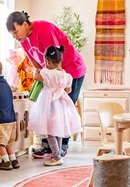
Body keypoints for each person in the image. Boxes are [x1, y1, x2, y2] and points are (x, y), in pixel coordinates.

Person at [6, 11, 87, 158]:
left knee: (63, 108)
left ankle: (62, 147)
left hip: (71, 70)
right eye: (12, 34)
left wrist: (57, 80)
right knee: (49, 110)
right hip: (53, 72)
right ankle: (48, 147)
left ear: (24, 24)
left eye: (16, 32)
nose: (15, 36)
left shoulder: (44, 29)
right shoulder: (24, 40)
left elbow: (56, 57)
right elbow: (36, 63)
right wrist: (42, 79)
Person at [27, 45, 82, 166]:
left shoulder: (45, 72)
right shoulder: (67, 76)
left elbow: (36, 77)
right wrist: (58, 89)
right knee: (58, 129)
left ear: (47, 61)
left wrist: (35, 70)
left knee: (49, 131)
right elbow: (68, 90)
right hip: (61, 105)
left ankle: (57, 157)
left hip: (48, 104)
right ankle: (59, 153)